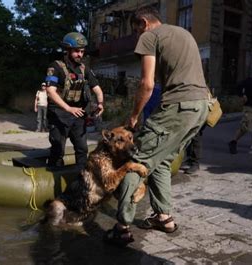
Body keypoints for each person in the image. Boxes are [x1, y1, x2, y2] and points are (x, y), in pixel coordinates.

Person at [103, 6, 209, 246]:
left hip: (179, 106)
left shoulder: (150, 36)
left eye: (135, 29)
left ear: (143, 22)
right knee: (160, 160)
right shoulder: (183, 33)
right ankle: (163, 217)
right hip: (201, 107)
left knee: (137, 161)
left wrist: (134, 115)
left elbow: (147, 84)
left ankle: (121, 228)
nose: (137, 35)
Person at [45, 32, 104, 170]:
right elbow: (50, 91)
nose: (80, 55)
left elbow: (97, 88)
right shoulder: (56, 67)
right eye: (77, 51)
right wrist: (68, 108)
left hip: (78, 115)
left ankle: (81, 180)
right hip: (59, 113)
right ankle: (54, 181)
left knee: (82, 149)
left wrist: (100, 103)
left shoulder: (84, 69)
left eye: (82, 51)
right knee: (58, 150)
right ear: (67, 50)